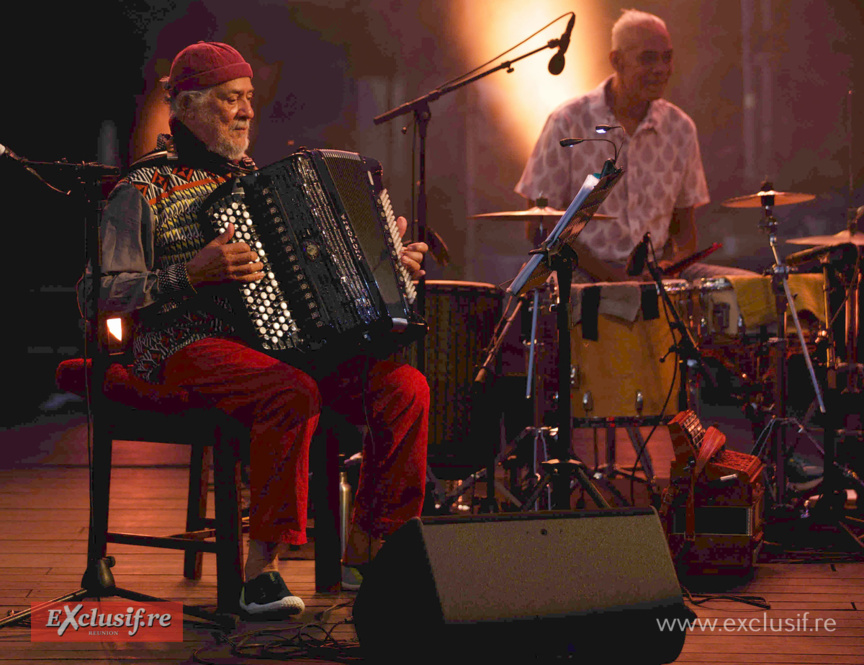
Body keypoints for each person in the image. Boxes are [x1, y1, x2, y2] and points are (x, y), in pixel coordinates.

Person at [81, 41, 430, 616]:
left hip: (276, 343)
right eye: (229, 99)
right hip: (179, 343)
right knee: (289, 392)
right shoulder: (139, 189)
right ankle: (260, 573)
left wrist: (387, 262)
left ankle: (373, 549)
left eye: (248, 99)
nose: (245, 111)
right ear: (187, 105)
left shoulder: (260, 181)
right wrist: (188, 275)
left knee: (404, 388)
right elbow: (93, 292)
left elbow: (315, 271)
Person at [516, 9, 753, 282]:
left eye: (667, 57)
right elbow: (538, 226)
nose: (661, 69)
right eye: (648, 58)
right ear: (616, 61)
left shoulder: (681, 127)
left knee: (750, 288)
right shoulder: (567, 121)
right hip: (583, 274)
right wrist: (613, 277)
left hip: (655, 275)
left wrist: (671, 264)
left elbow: (684, 230)